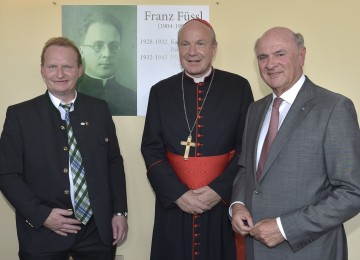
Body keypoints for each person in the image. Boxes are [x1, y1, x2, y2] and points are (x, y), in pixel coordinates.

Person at [230, 26, 360, 260]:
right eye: (262, 57)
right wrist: (238, 204)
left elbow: (352, 192)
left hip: (310, 251)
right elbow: (245, 169)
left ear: (301, 56)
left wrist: (284, 228)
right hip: (254, 250)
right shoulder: (255, 110)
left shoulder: (334, 108)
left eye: (280, 54)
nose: (270, 64)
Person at [0, 37, 128, 260]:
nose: (60, 74)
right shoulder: (19, 116)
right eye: (52, 66)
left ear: (80, 70)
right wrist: (41, 215)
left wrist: (119, 212)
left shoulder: (99, 110)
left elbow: (113, 163)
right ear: (42, 70)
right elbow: (6, 174)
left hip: (96, 232)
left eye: (67, 67)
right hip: (43, 233)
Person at [141, 19, 254, 260]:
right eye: (185, 44)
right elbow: (151, 149)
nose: (192, 52)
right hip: (175, 203)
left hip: (221, 202)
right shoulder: (160, 91)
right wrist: (178, 194)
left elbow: (248, 148)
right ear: (178, 49)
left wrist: (219, 190)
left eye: (200, 43)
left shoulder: (238, 87)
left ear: (214, 48)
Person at [77, 12, 136, 116]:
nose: (107, 54)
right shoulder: (70, 96)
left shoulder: (133, 98)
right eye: (98, 45)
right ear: (82, 51)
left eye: (114, 46)